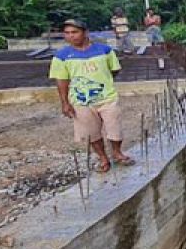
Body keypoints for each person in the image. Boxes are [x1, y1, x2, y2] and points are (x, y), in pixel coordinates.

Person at [49, 19, 134, 172]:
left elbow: (114, 70)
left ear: (85, 33)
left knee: (114, 126)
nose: (71, 36)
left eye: (74, 32)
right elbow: (61, 81)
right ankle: (102, 157)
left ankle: (117, 152)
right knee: (91, 132)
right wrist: (65, 103)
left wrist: (102, 81)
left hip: (107, 97)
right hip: (81, 101)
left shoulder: (104, 51)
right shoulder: (61, 57)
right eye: (67, 33)